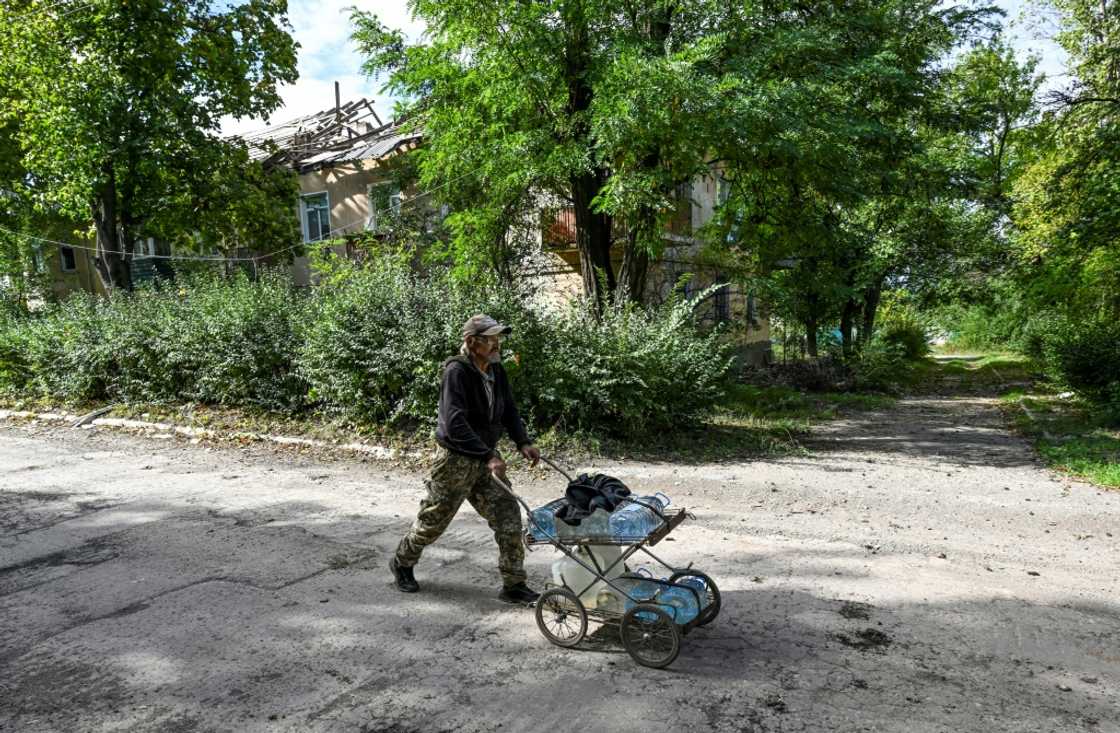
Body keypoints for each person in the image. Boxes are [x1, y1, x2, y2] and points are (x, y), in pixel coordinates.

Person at [389, 314, 542, 604]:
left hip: (486, 459)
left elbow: (508, 408)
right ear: (472, 343)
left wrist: (523, 441)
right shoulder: (456, 372)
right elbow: (454, 423)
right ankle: (402, 562)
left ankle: (513, 585)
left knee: (508, 516)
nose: (497, 344)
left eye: (498, 338)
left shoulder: (496, 369)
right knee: (433, 521)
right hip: (456, 461)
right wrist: (488, 455)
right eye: (490, 339)